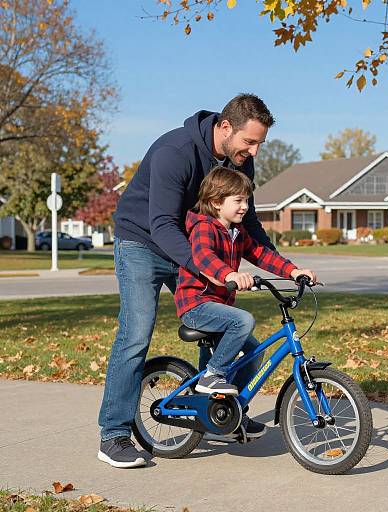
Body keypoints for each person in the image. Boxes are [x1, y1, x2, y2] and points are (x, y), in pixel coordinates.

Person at [98, 94, 278, 469]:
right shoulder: (174, 151)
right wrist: (210, 268)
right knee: (135, 335)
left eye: (260, 143)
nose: (255, 151)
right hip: (142, 243)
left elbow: (249, 226)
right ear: (225, 127)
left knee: (221, 329)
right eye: (249, 141)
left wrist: (285, 266)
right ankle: (114, 435)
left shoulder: (239, 162)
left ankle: (216, 412)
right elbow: (162, 222)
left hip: (194, 250)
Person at [175, 167, 317, 433]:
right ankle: (212, 375)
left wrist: (293, 271)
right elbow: (203, 257)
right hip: (196, 304)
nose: (245, 207)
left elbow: (262, 255)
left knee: (254, 352)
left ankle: (230, 413)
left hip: (218, 306)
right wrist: (229, 273)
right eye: (238, 201)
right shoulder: (204, 227)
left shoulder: (237, 233)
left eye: (247, 200)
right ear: (217, 202)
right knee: (244, 320)